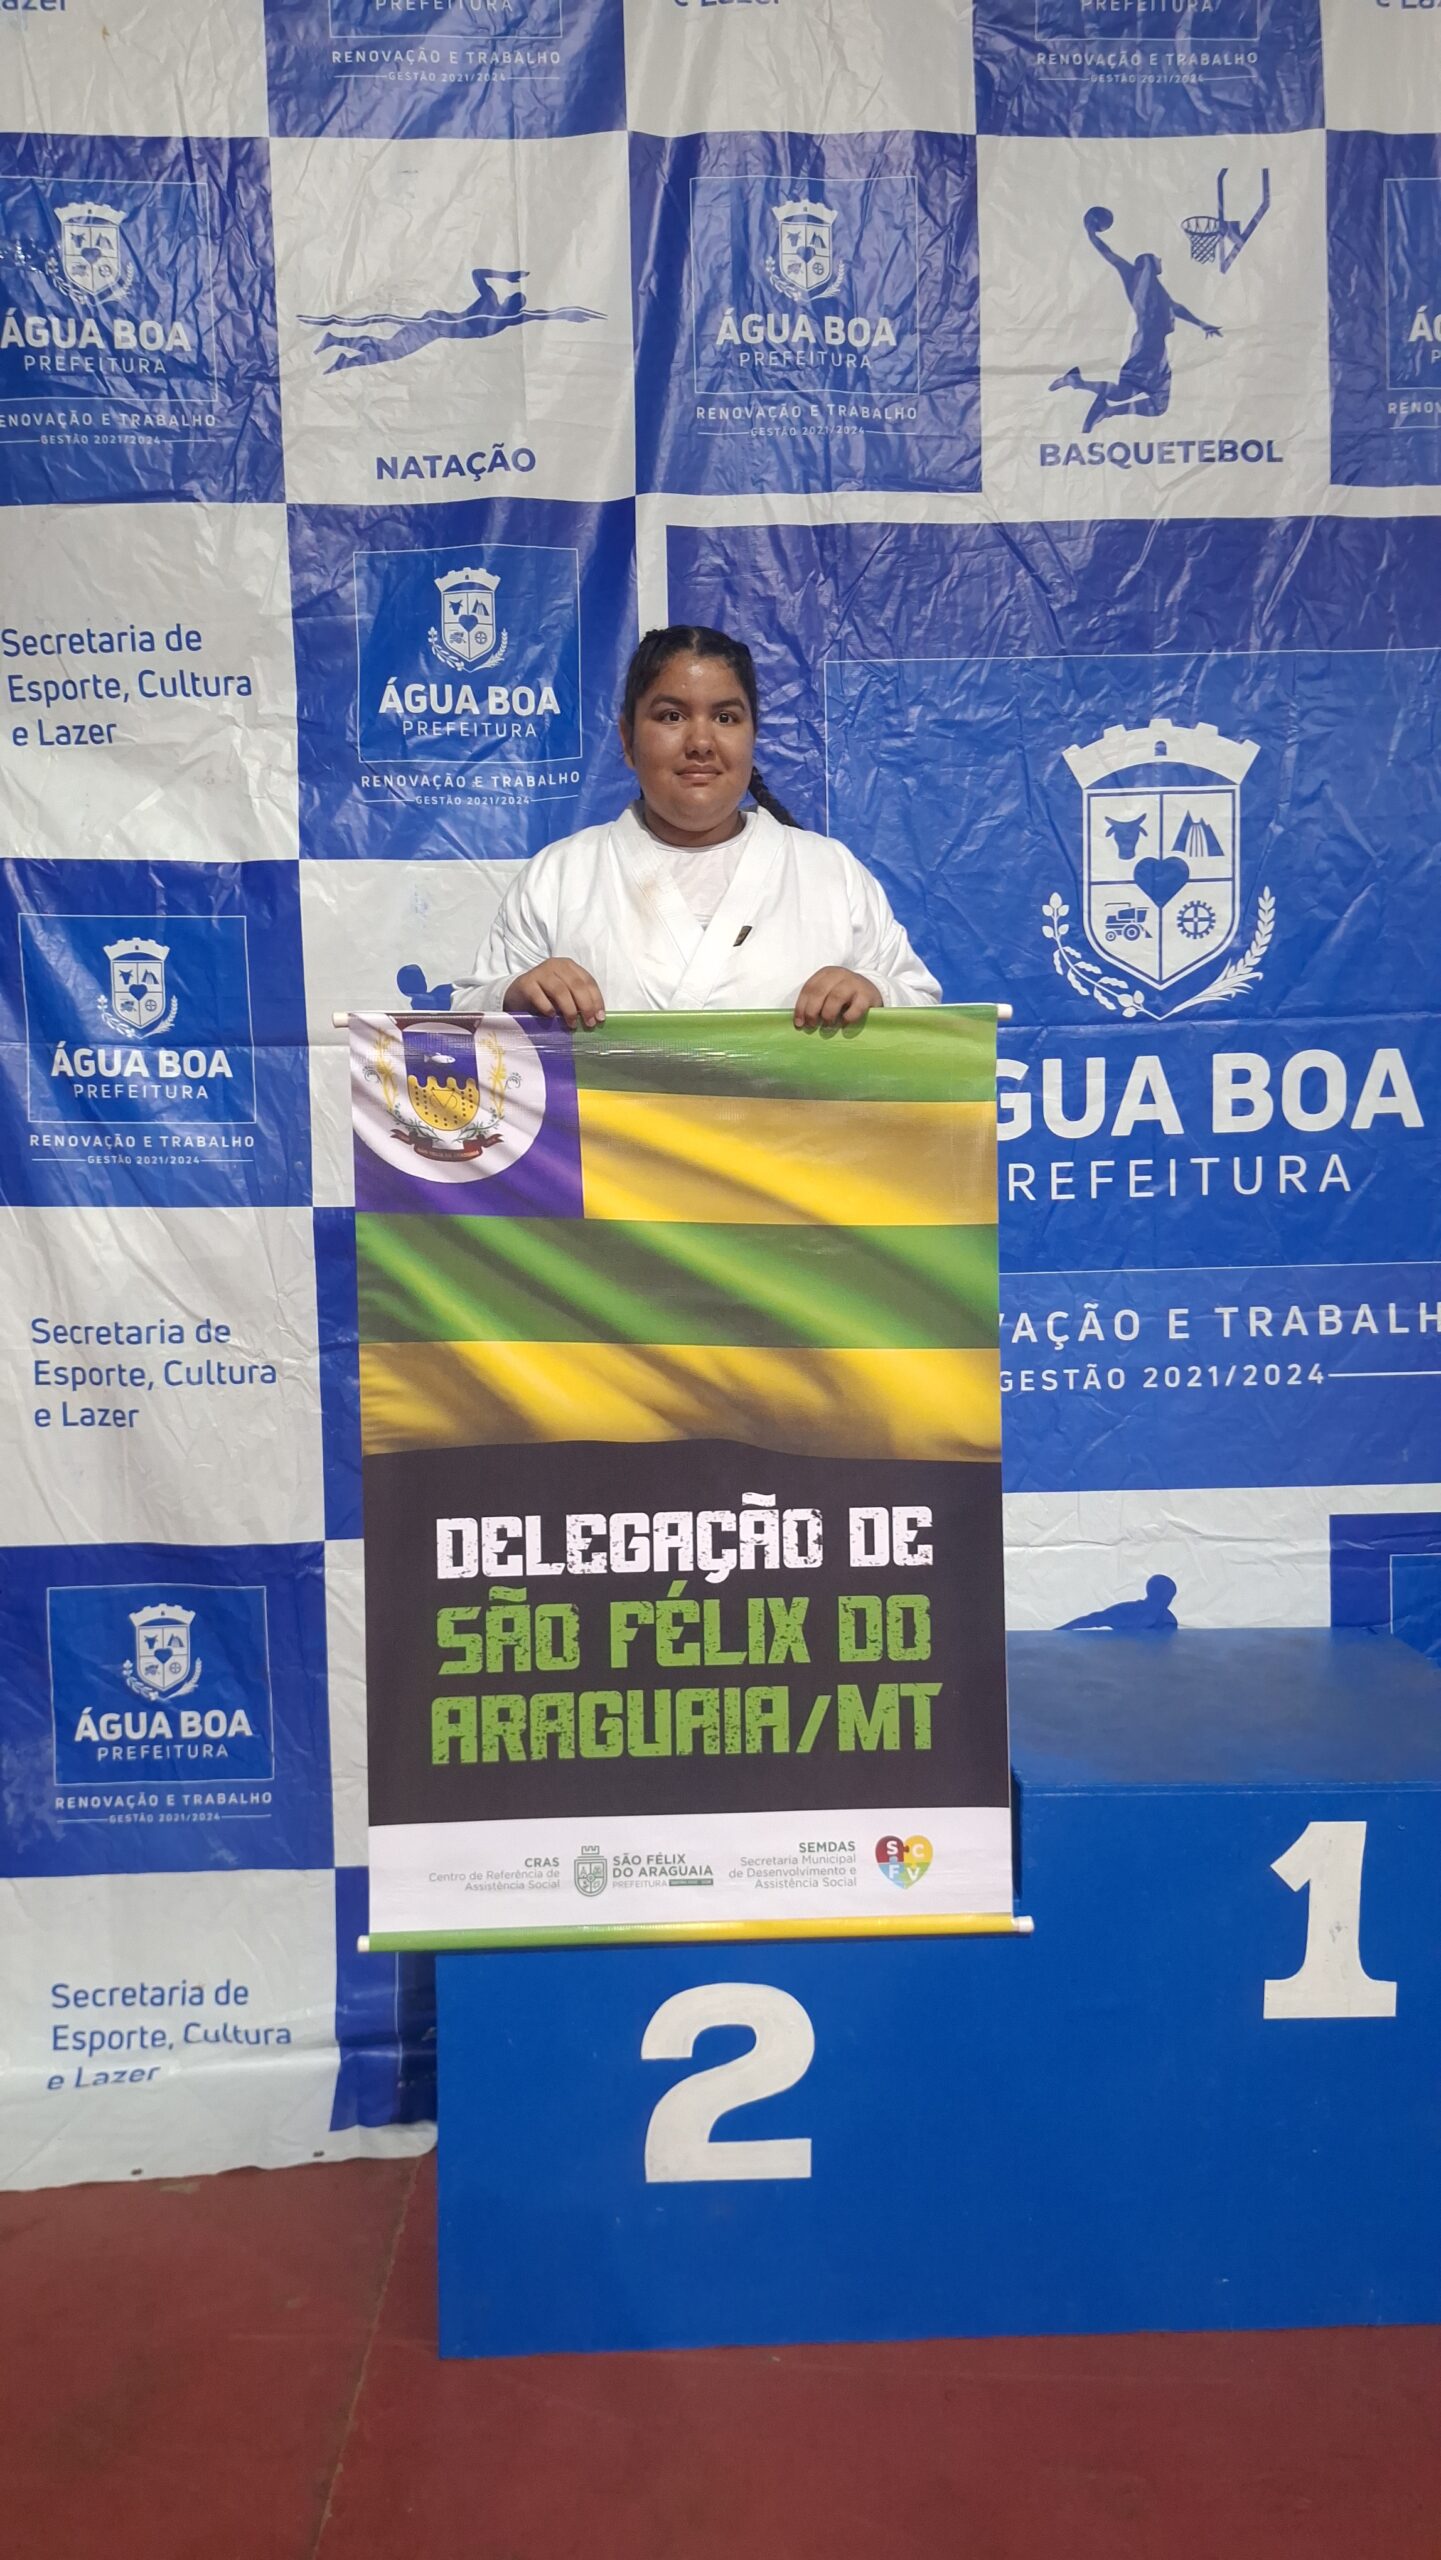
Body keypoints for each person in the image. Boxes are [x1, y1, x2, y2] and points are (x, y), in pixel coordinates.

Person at [452, 624, 941, 1028]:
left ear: (753, 736)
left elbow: (926, 1011)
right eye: (671, 716)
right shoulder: (561, 875)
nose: (701, 743)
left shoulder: (829, 870)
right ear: (627, 739)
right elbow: (462, 1022)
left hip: (791, 1124)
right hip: (609, 1126)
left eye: (726, 717)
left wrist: (875, 992)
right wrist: (513, 993)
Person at [1049, 205, 1220, 438]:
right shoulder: (1135, 279)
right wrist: (1092, 234)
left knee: (1145, 400)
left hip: (1154, 350)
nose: (1160, 260)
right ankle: (1089, 394)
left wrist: (1202, 324)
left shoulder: (1158, 293)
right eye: (1156, 259)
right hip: (1148, 349)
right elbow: (1111, 256)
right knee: (1148, 400)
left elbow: (1177, 308)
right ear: (1148, 262)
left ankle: (1093, 397)